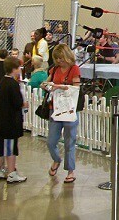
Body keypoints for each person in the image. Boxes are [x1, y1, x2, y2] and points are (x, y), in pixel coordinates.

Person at [41, 44, 80, 183]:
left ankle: (70, 171)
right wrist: (45, 85)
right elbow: (46, 82)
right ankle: (56, 159)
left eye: (61, 58)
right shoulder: (55, 69)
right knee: (51, 141)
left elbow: (76, 88)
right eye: (57, 58)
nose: (59, 61)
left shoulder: (74, 69)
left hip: (69, 109)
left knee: (70, 141)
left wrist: (59, 86)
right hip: (55, 109)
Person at [0, 57, 28, 183]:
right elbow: (17, 103)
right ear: (14, 69)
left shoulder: (1, 82)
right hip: (9, 123)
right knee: (10, 149)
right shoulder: (13, 84)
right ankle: (11, 172)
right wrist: (24, 104)